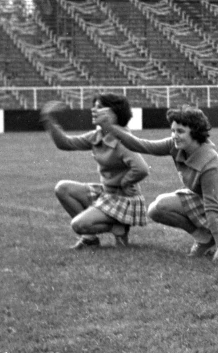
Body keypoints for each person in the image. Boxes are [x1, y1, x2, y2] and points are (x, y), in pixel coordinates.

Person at [100, 105, 218, 261]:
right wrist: (110, 128)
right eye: (173, 131)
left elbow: (212, 208)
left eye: (180, 132)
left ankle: (209, 240)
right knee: (155, 210)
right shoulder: (175, 145)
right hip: (200, 195)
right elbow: (142, 145)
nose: (174, 136)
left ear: (195, 133)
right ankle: (203, 237)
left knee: (162, 205)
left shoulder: (211, 165)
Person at [42, 95, 149, 249]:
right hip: (107, 193)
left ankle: (118, 227)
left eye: (99, 107)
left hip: (124, 198)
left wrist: (125, 182)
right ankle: (91, 238)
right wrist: (48, 119)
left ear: (113, 113)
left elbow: (142, 169)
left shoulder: (121, 139)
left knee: (78, 225)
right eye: (94, 106)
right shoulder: (98, 135)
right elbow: (66, 143)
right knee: (63, 188)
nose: (94, 110)